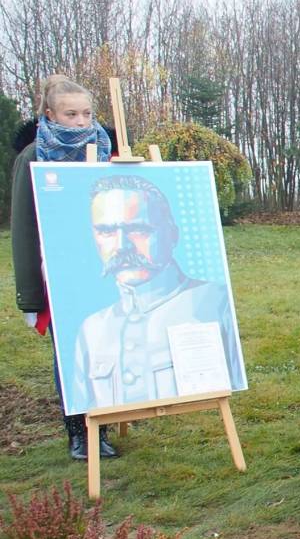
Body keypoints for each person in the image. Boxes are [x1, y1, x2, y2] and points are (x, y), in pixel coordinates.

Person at [70, 175, 245, 411]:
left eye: (138, 229)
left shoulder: (215, 303)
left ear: (173, 234)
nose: (122, 246)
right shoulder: (92, 329)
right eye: (107, 231)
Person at [11, 74, 115, 460]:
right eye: (71, 114)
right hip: (58, 274)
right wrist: (31, 296)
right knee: (72, 352)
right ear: (51, 114)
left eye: (87, 114)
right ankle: (79, 430)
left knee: (106, 347)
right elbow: (24, 231)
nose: (80, 122)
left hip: (104, 269)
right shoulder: (33, 158)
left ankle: (103, 424)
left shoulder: (105, 153)